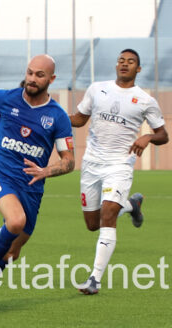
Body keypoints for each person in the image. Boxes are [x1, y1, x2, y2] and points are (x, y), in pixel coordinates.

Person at [0, 54, 75, 310]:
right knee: (15, 221)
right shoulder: (6, 98)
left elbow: (69, 161)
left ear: (52, 79)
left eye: (39, 75)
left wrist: (47, 171)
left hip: (32, 186)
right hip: (0, 174)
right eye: (30, 72)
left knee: (11, 253)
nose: (32, 79)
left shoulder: (57, 117)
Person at [69, 49, 169, 295]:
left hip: (120, 164)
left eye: (131, 61)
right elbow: (80, 119)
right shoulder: (97, 89)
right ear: (117, 65)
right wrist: (50, 114)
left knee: (109, 213)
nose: (125, 64)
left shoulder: (145, 100)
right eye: (121, 61)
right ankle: (132, 206)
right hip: (92, 163)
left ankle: (94, 279)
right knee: (93, 224)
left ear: (138, 69)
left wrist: (147, 136)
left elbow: (163, 135)